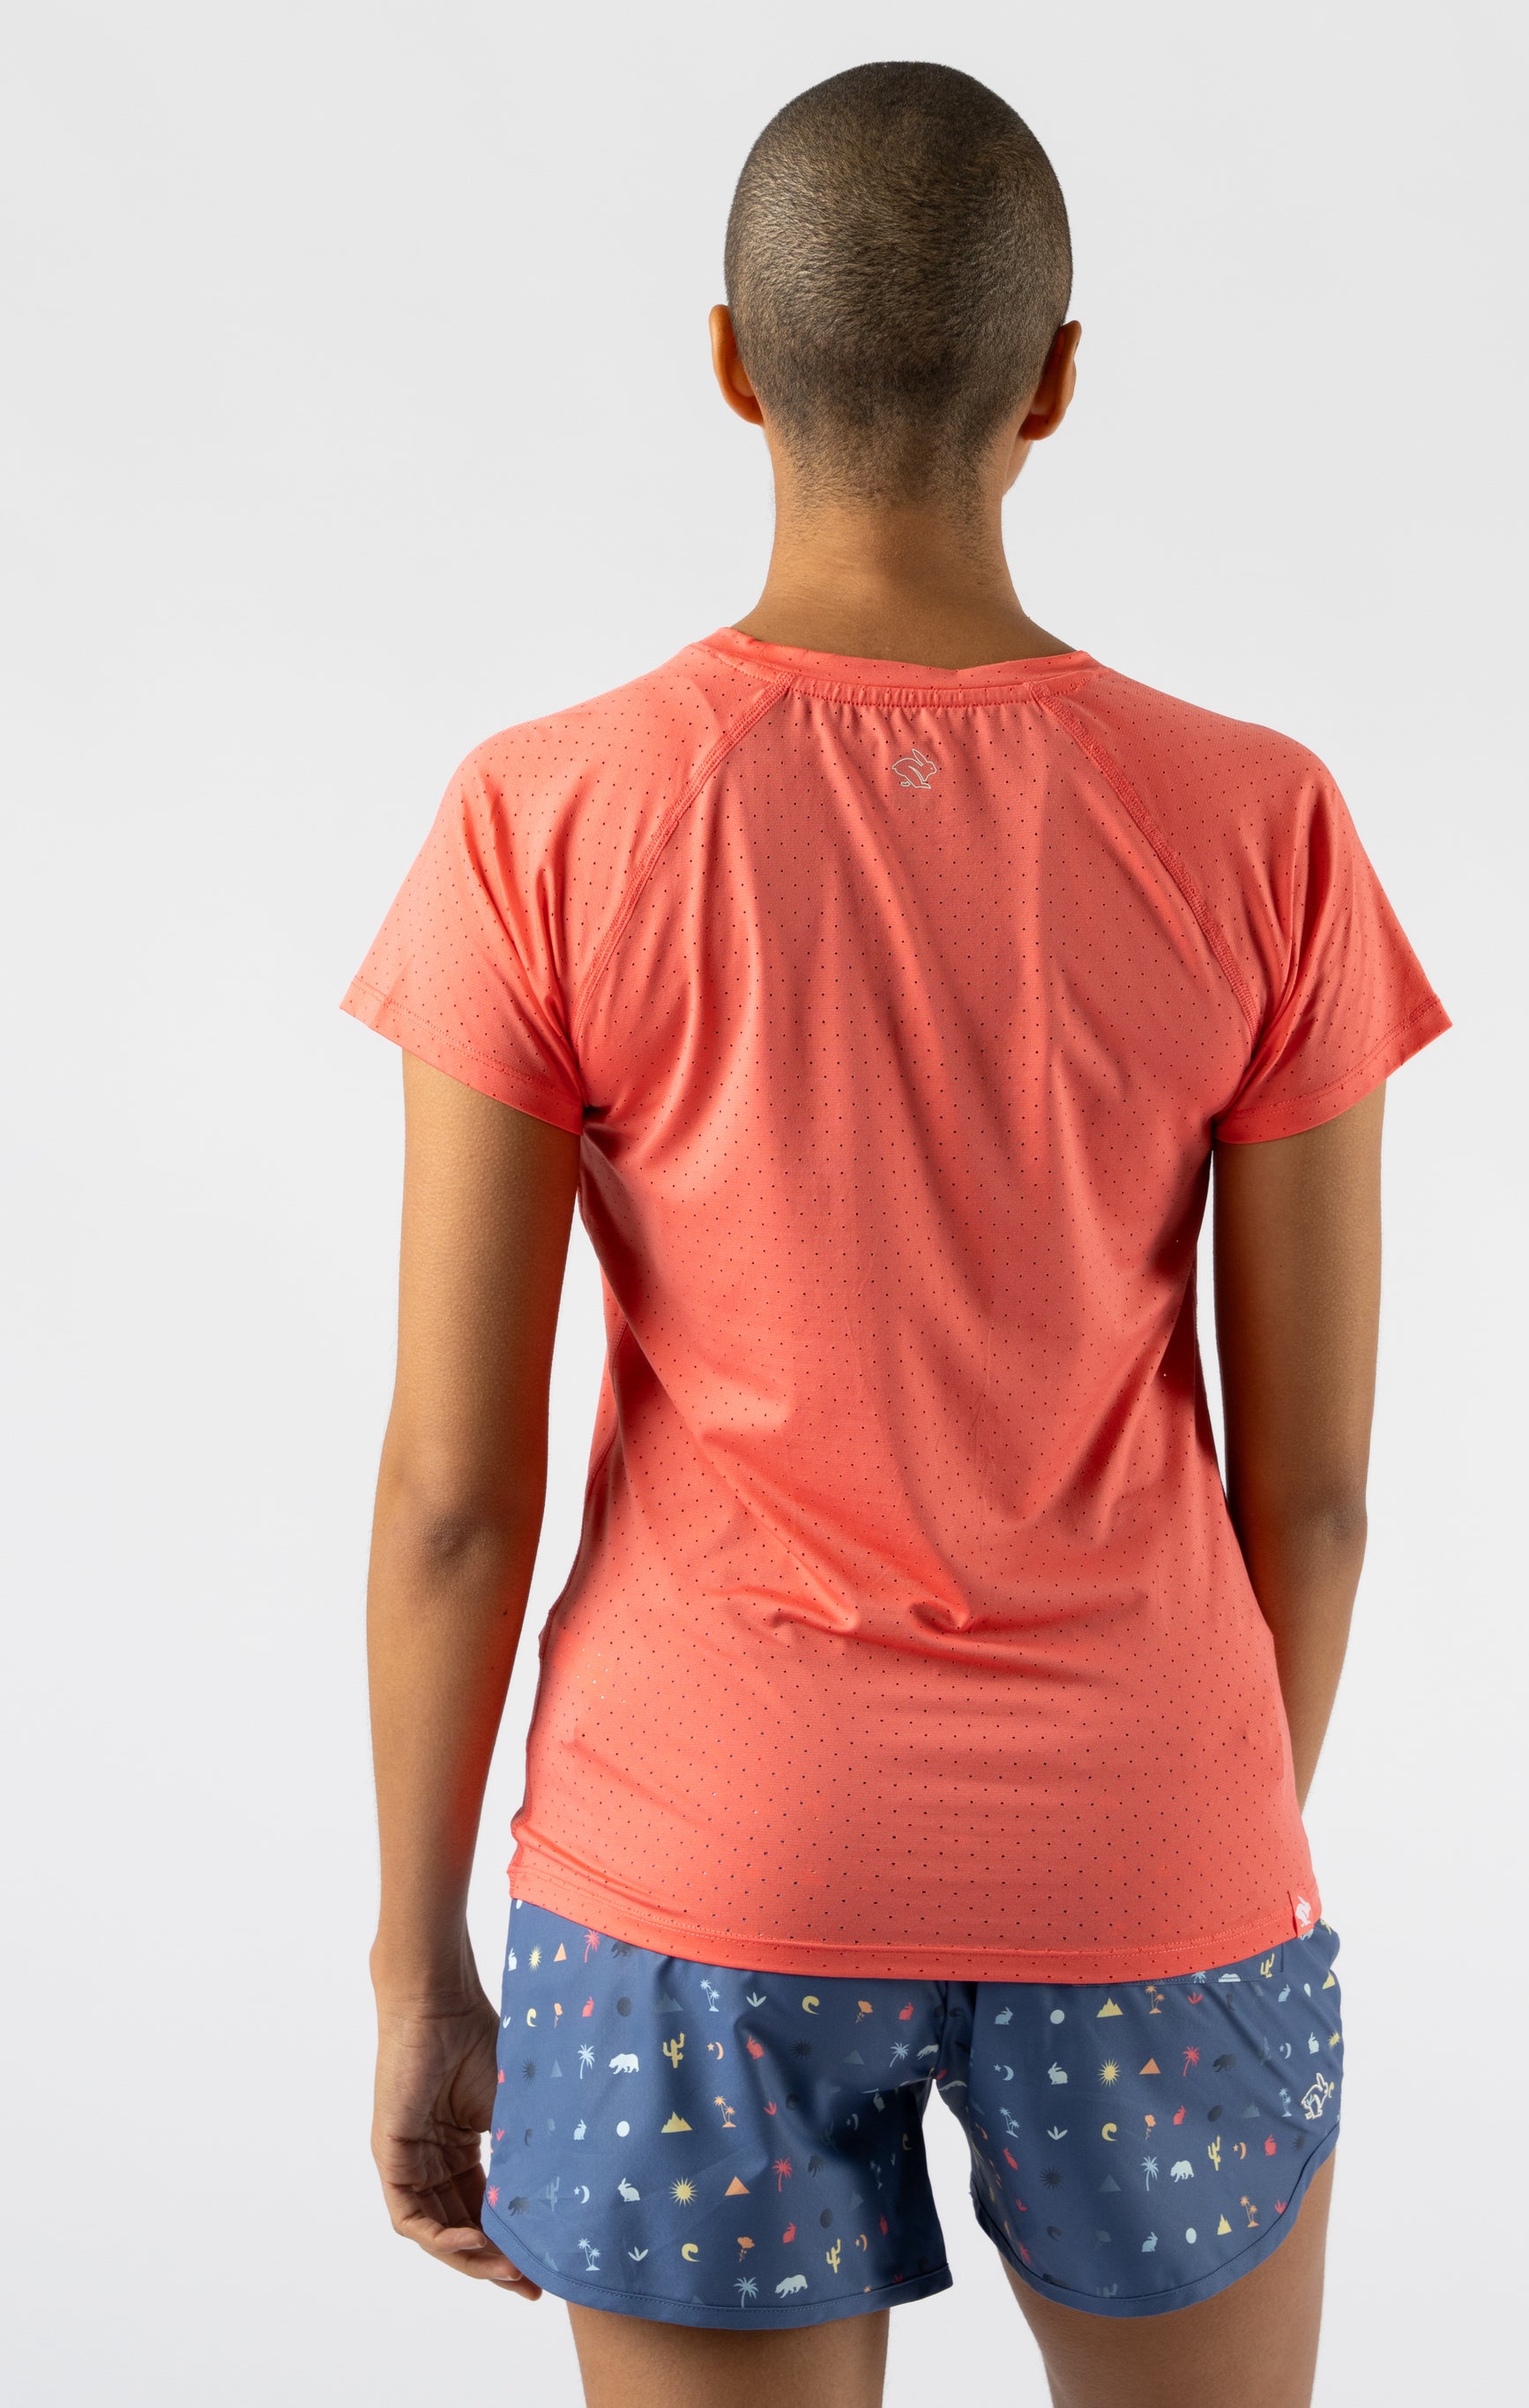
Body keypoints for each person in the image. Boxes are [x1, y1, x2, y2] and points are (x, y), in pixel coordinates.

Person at [345, 60, 1449, 2408]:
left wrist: (417, 1955)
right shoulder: (1261, 823)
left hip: (697, 1860)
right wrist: (1186, 1838)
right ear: (1056, 381)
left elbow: (453, 1488)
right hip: (1153, 1843)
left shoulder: (548, 818)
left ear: (731, 361)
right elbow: (1322, 1489)